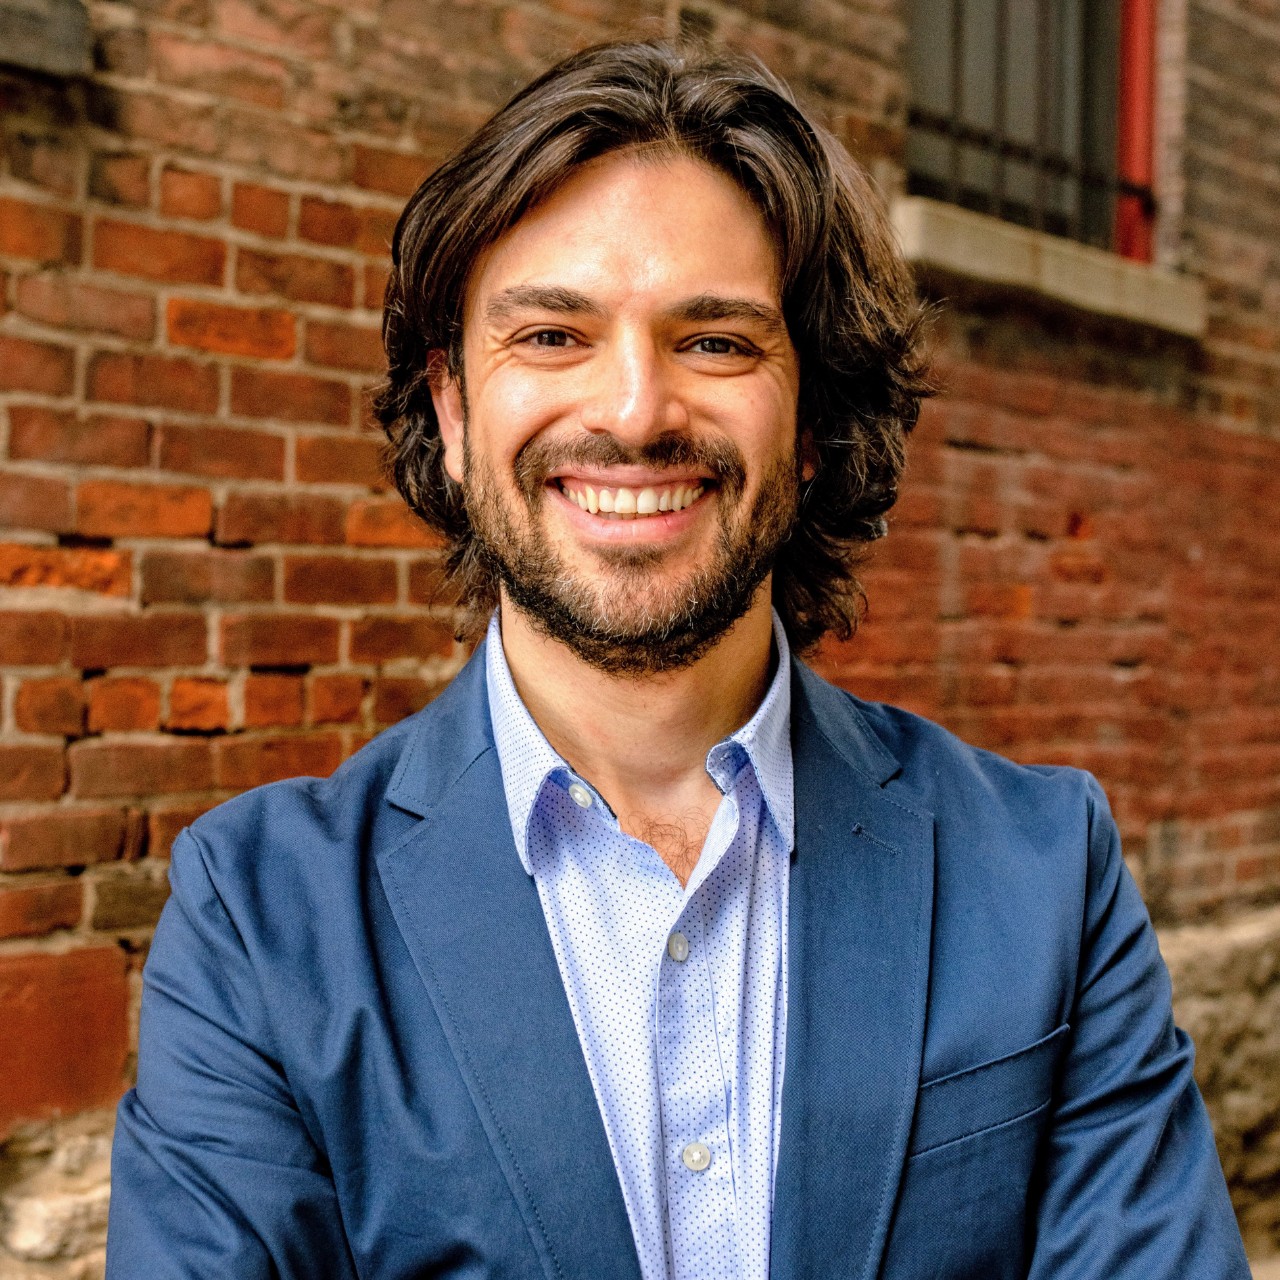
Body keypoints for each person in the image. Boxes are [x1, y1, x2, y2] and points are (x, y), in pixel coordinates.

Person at [105, 38, 1249, 1280]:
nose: (636, 410)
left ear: (812, 418)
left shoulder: (1039, 872)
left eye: (715, 341)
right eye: (550, 334)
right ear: (449, 404)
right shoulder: (260, 920)